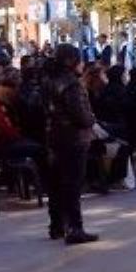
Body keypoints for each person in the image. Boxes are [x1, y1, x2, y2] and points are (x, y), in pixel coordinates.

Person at [44, 43, 99, 244]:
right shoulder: (71, 84)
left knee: (57, 183)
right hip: (73, 138)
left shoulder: (48, 80)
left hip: (54, 136)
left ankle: (57, 225)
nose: (82, 64)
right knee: (73, 184)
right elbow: (80, 115)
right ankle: (75, 228)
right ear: (71, 61)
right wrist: (91, 119)